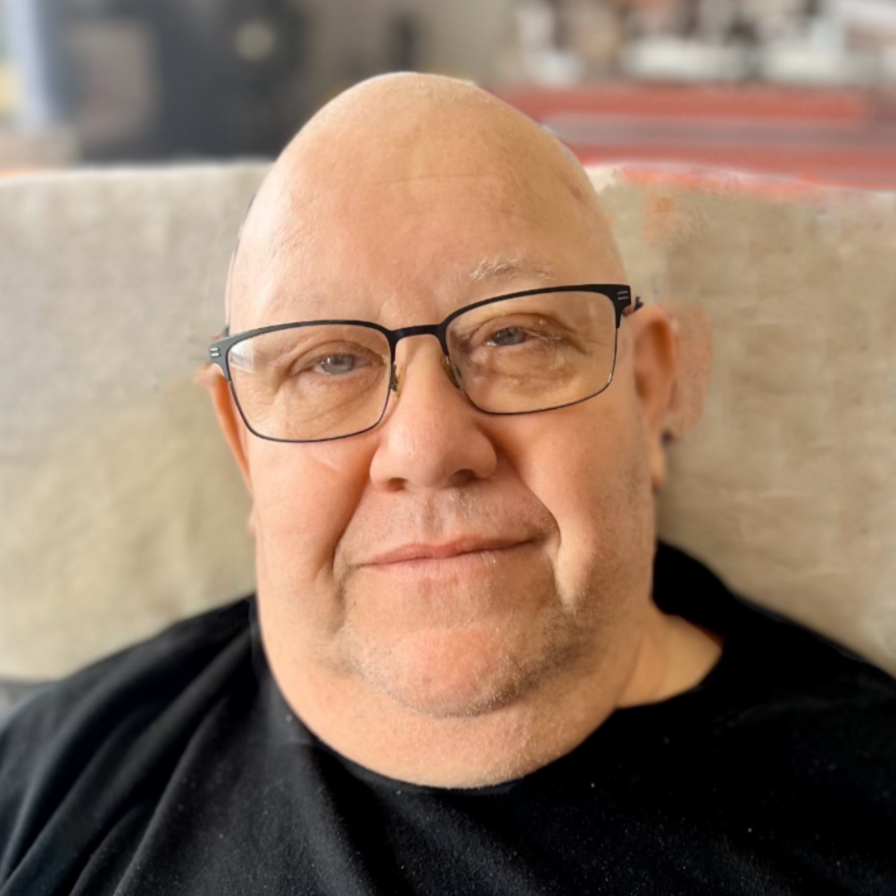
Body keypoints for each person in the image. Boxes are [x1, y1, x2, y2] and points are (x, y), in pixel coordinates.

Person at [0, 73, 894, 895]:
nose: (427, 448)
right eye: (329, 362)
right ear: (243, 448)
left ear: (650, 390)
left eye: (515, 335)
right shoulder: (47, 782)